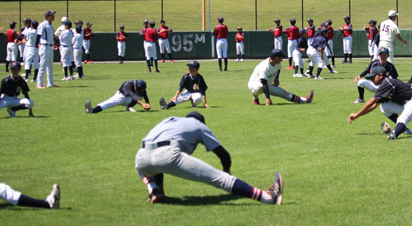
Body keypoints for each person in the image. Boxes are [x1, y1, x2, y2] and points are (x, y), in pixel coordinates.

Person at [134, 111, 283, 204]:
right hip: (168, 154)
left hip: (140, 157)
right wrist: (226, 171)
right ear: (202, 122)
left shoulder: (169, 120)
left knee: (147, 163)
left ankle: (155, 190)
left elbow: (153, 156)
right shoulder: (199, 125)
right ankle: (267, 197)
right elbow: (223, 154)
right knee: (219, 178)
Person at [348, 66, 412, 140]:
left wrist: (357, 114)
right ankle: (403, 129)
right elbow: (374, 105)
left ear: (380, 75)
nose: (372, 80)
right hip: (406, 105)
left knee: (402, 118)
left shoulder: (387, 83)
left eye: (373, 77)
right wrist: (358, 116)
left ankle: (394, 134)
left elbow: (371, 102)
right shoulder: (385, 85)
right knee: (384, 107)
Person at [248, 49, 314, 105]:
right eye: (281, 57)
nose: (282, 59)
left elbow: (278, 69)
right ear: (276, 58)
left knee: (284, 93)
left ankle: (305, 100)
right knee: (259, 87)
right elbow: (264, 82)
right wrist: (267, 98)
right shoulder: (264, 66)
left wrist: (276, 78)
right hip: (255, 83)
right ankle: (255, 96)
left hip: (267, 84)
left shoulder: (278, 64)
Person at [85, 79, 151, 113]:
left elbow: (144, 93)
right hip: (121, 96)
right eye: (139, 89)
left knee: (140, 95)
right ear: (135, 86)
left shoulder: (139, 85)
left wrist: (148, 104)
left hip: (129, 99)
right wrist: (142, 104)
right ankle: (92, 110)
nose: (141, 90)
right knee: (109, 103)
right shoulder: (128, 85)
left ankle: (129, 107)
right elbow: (132, 95)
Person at [36, 10, 58, 89]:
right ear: (48, 16)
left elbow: (51, 36)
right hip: (44, 46)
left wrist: (53, 44)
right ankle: (39, 84)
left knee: (50, 66)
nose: (53, 17)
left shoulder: (50, 25)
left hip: (49, 46)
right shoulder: (43, 25)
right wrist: (36, 44)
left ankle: (50, 83)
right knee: (43, 66)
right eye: (52, 15)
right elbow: (38, 35)